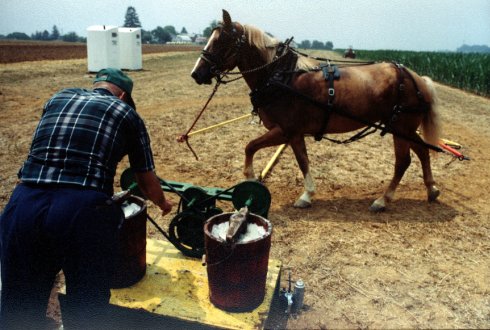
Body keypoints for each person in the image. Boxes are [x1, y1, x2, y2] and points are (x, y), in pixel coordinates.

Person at [0, 68, 173, 329]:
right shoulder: (127, 112)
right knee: (87, 309)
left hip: (24, 204)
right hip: (81, 212)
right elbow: (146, 180)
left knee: (19, 304)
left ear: (96, 85)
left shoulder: (57, 98)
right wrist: (163, 203)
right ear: (123, 95)